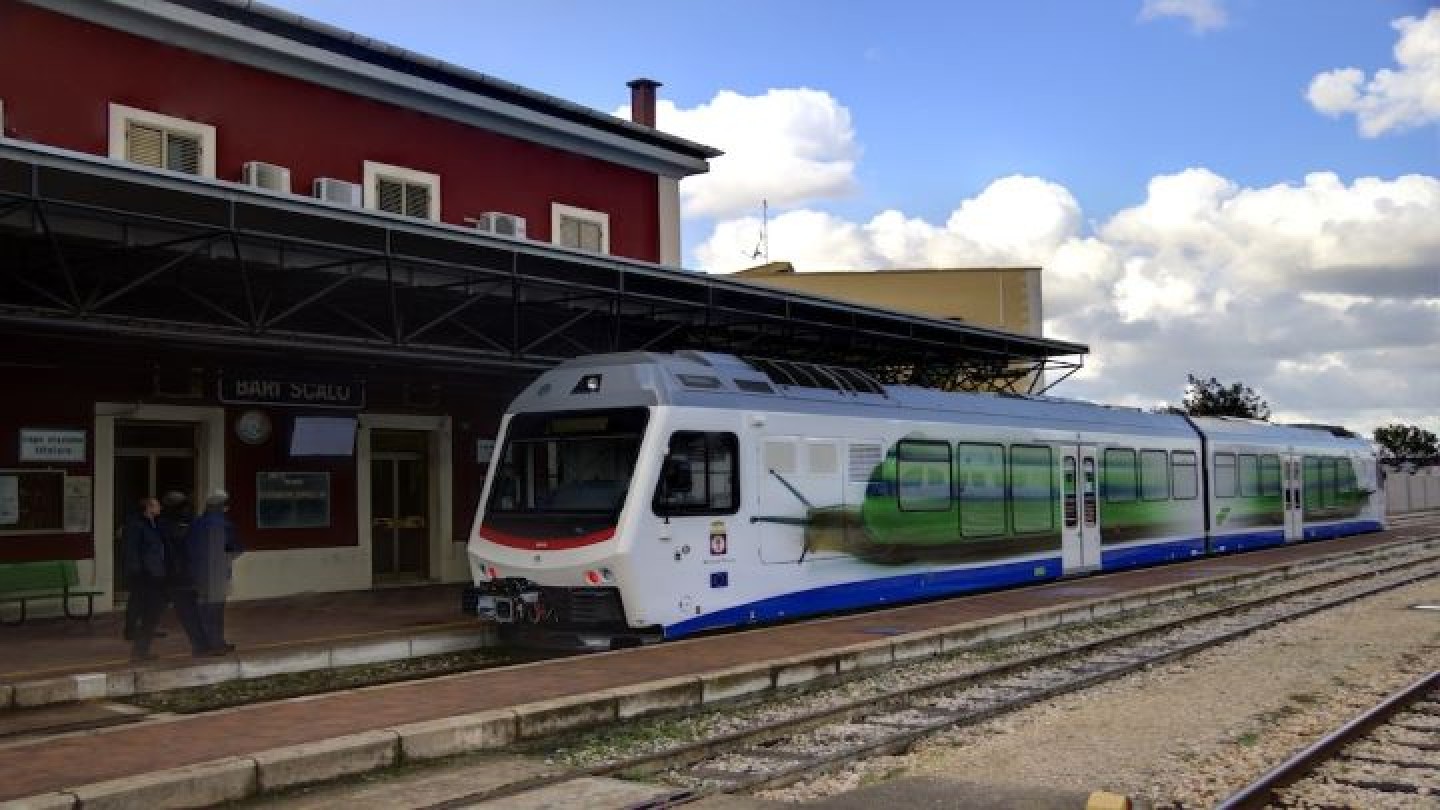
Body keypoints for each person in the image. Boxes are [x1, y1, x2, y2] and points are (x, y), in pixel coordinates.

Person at [187, 488, 243, 654]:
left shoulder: (196, 523)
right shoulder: (225, 525)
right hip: (218, 574)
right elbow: (236, 548)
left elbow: (188, 548)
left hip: (199, 574)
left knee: (203, 611)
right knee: (216, 612)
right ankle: (216, 645)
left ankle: (202, 646)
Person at [157, 491, 210, 656]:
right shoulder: (175, 525)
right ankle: (202, 645)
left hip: (179, 575)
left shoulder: (166, 525)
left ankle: (202, 645)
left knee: (189, 611)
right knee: (191, 612)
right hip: (181, 575)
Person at [120, 497, 167, 661]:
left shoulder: (153, 524)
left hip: (154, 570)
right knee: (137, 600)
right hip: (142, 572)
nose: (160, 507)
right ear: (148, 508)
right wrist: (137, 570)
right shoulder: (137, 525)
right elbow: (132, 549)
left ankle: (146, 629)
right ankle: (131, 630)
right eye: (157, 504)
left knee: (150, 602)